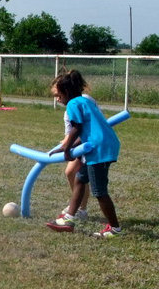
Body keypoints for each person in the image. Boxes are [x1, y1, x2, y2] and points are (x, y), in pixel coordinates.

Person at [45, 70, 122, 238]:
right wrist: (69, 147)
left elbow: (77, 128)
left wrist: (66, 150)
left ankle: (115, 229)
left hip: (98, 149)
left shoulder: (73, 104)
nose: (58, 99)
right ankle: (68, 220)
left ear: (66, 92)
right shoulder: (85, 101)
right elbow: (88, 130)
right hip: (102, 144)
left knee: (99, 191)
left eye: (58, 95)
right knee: (80, 179)